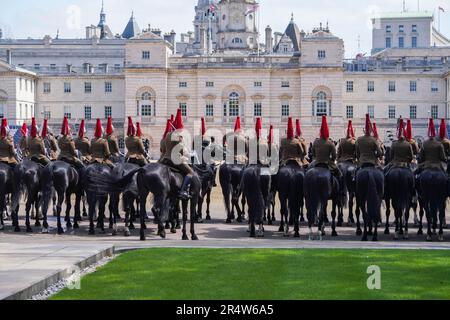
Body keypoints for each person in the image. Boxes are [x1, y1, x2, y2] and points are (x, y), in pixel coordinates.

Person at [160, 109, 194, 200]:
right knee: (190, 172)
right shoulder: (178, 137)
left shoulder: (167, 135)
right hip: (175, 160)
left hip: (165, 159)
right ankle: (183, 191)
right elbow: (181, 150)